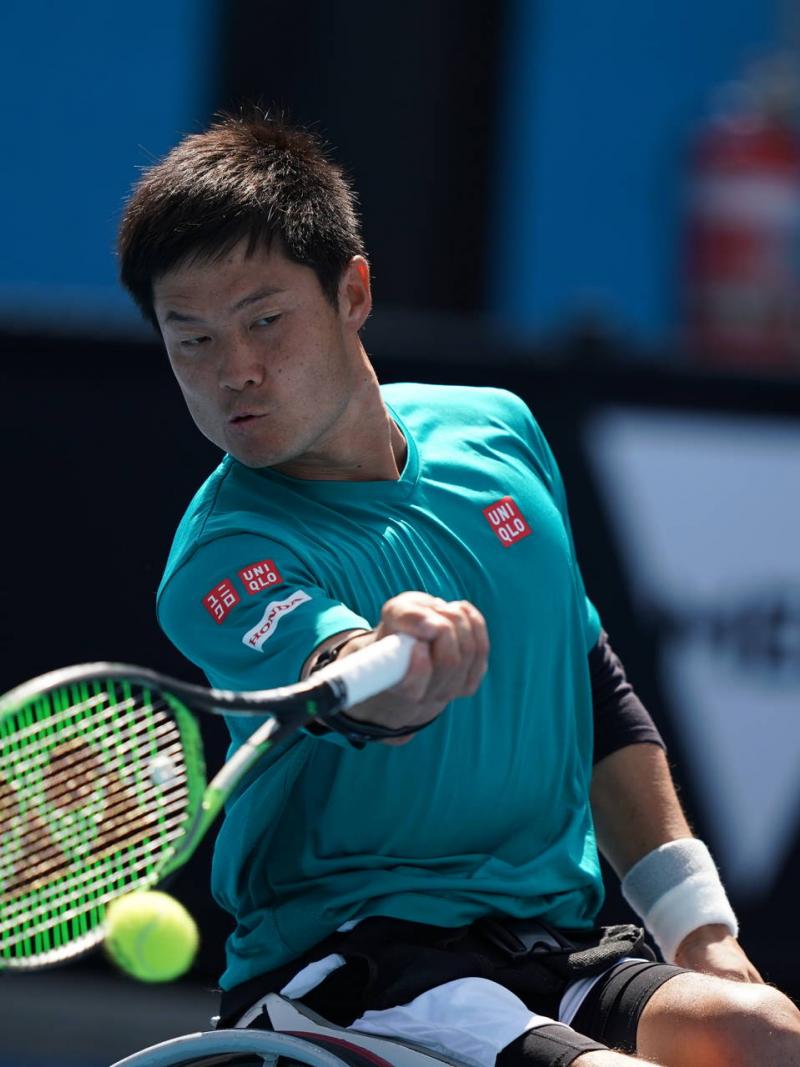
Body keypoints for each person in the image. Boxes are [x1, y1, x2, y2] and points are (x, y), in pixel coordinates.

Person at [117, 111, 800, 1067]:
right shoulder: (223, 555)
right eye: (191, 341)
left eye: (266, 321)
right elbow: (349, 679)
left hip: (547, 942)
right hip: (357, 965)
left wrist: (702, 934)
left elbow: (590, 688)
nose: (237, 371)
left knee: (765, 1035)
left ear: (352, 291)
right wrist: (387, 664)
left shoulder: (499, 434)